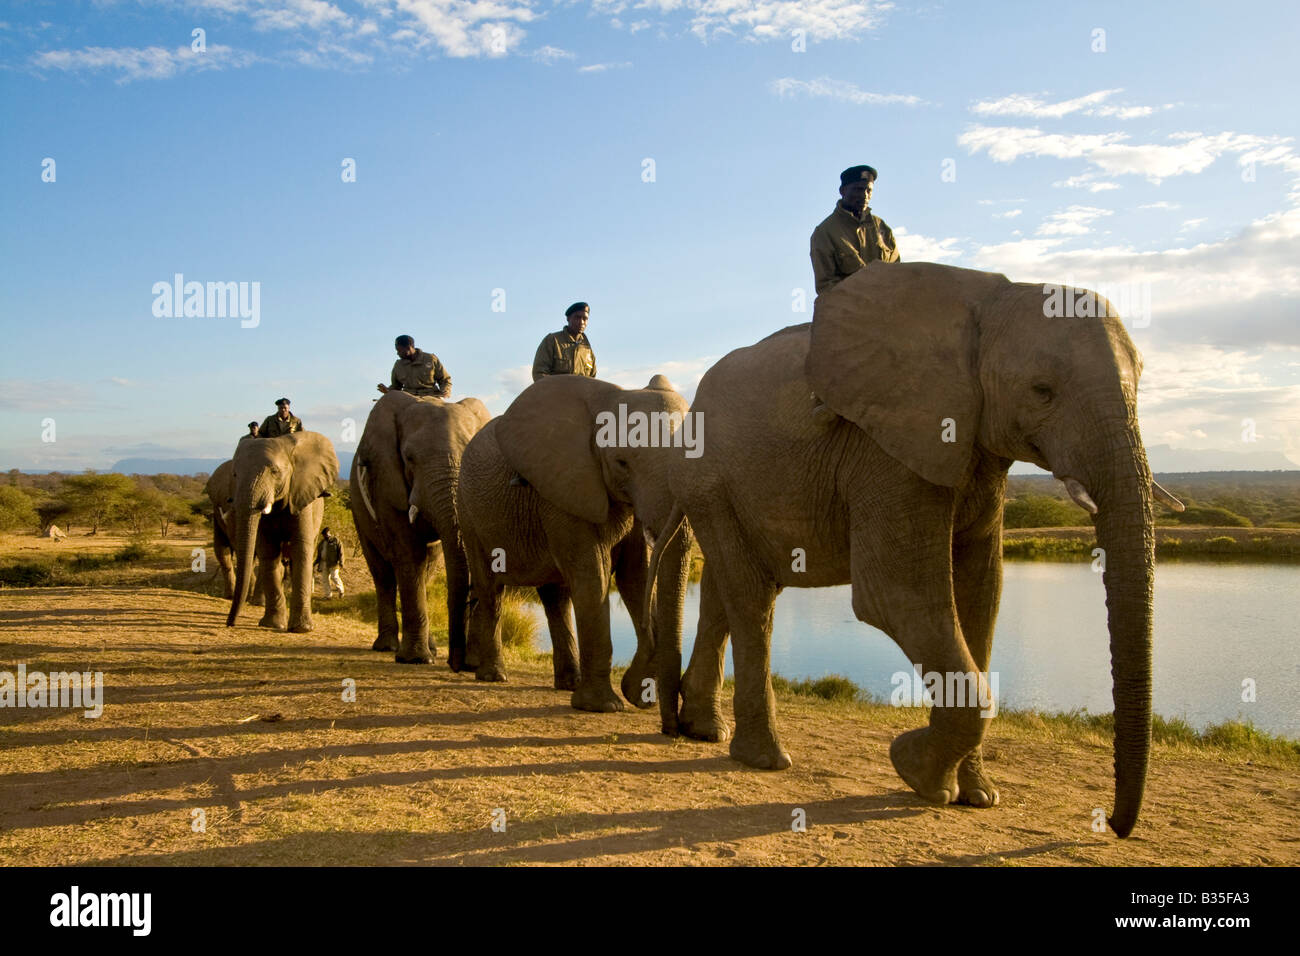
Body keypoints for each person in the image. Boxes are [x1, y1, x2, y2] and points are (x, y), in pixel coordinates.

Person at [809, 164, 901, 297]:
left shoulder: (882, 228)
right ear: (843, 191)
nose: (864, 195)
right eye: (858, 189)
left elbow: (897, 273)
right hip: (850, 311)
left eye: (868, 190)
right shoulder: (825, 232)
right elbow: (826, 287)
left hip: (887, 308)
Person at [532, 302, 596, 382]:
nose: (581, 322)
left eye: (585, 319)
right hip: (555, 393)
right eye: (577, 317)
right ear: (568, 318)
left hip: (581, 394)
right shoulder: (553, 341)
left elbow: (592, 381)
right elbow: (539, 374)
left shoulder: (588, 350)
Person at [377, 335, 452, 398]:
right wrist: (387, 390)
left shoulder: (430, 359)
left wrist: (445, 391)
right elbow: (396, 387)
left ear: (408, 348)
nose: (397, 353)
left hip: (431, 397)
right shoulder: (398, 365)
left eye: (399, 350)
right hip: (408, 399)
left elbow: (444, 379)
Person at [314, 527, 345, 599]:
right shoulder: (321, 543)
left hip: (333, 563)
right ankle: (328, 595)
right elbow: (319, 555)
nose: (326, 535)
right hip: (323, 563)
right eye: (324, 534)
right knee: (325, 579)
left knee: (334, 577)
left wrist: (341, 562)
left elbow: (341, 552)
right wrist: (315, 563)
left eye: (327, 534)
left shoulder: (336, 540)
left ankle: (341, 591)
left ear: (329, 533)